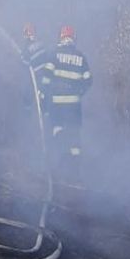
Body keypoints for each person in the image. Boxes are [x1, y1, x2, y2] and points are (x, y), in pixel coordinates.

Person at [36, 25, 92, 174]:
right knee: (74, 137)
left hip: (57, 104)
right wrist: (78, 92)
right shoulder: (81, 57)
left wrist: (42, 96)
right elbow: (88, 80)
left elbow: (46, 79)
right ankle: (75, 170)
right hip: (74, 105)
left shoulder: (54, 55)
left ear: (61, 37)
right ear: (73, 38)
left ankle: (60, 167)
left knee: (58, 131)